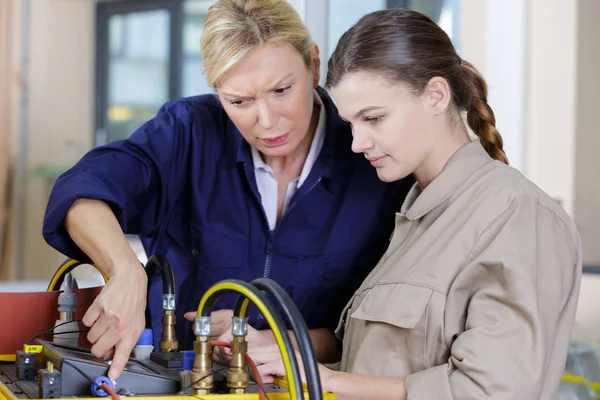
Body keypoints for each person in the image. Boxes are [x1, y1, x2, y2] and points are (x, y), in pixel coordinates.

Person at [41, 0, 412, 380]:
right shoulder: (188, 133)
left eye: (282, 90)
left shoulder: (373, 158)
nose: (266, 121)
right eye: (239, 101)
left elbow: (388, 328)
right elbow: (82, 190)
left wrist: (286, 342)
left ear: (314, 65)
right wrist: (124, 270)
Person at [246, 8, 583, 399]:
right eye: (351, 123)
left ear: (436, 95)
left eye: (373, 118)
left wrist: (330, 380)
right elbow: (379, 368)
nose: (357, 143)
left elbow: (492, 391)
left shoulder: (518, 215)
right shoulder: (415, 220)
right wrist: (288, 361)